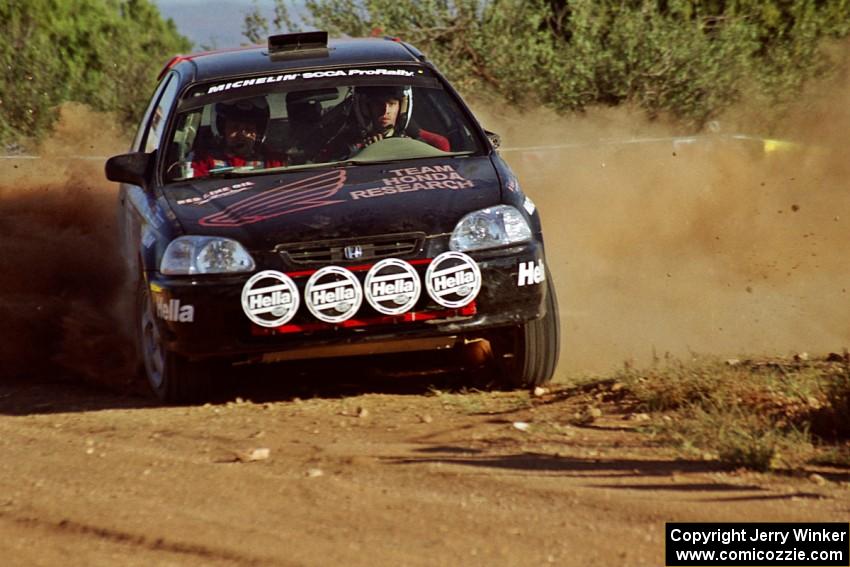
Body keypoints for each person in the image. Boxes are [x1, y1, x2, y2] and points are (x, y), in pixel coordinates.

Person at [321, 85, 450, 160]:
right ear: (366, 108)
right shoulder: (344, 145)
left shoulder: (428, 144)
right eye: (378, 104)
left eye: (392, 104)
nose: (385, 111)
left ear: (401, 108)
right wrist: (359, 153)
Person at [190, 97, 285, 178]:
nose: (241, 135)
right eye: (234, 128)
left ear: (257, 133)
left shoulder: (274, 162)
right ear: (222, 130)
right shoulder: (203, 161)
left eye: (248, 129)